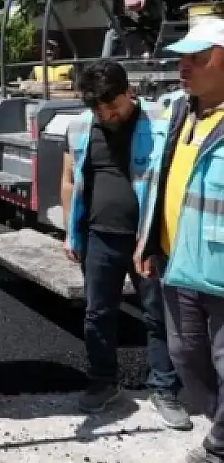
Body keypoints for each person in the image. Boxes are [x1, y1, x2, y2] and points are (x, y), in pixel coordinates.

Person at [60, 61, 190, 426]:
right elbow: (70, 179)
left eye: (112, 106)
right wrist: (71, 232)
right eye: (99, 109)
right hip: (98, 238)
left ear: (128, 91)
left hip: (147, 240)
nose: (107, 114)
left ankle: (163, 388)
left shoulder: (159, 124)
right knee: (98, 314)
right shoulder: (81, 127)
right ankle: (103, 383)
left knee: (158, 316)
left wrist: (150, 240)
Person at [134, 17, 224, 463]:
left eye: (198, 58)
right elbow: (157, 181)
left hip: (221, 267)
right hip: (178, 263)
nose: (184, 67)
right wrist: (147, 241)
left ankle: (220, 446)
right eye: (182, 58)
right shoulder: (178, 112)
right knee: (186, 356)